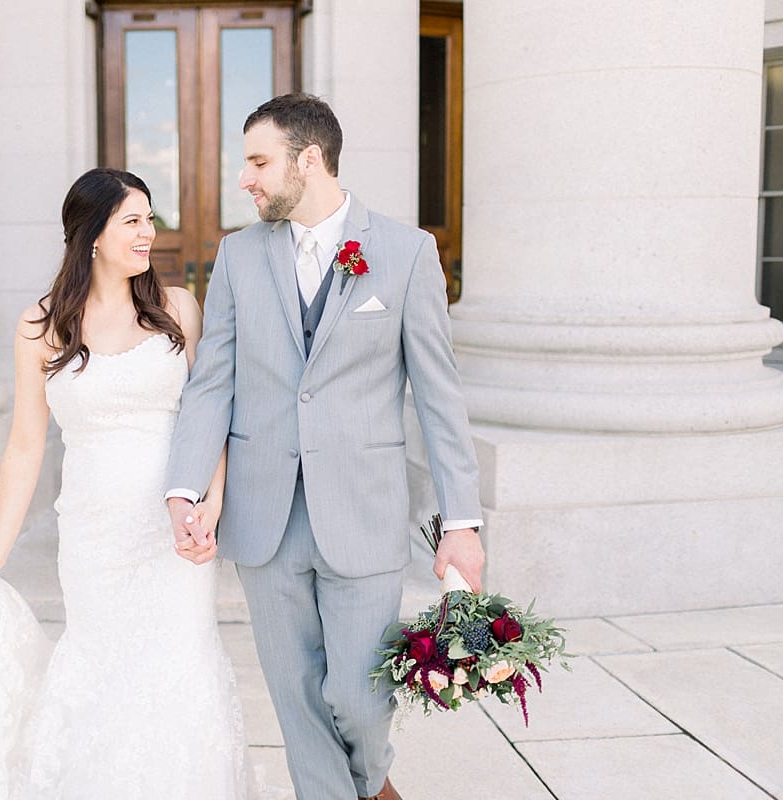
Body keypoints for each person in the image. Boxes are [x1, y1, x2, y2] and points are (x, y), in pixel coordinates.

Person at [166, 94, 485, 800]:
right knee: (296, 700)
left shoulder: (405, 254)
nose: (245, 180)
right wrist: (184, 488)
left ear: (308, 160)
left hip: (364, 514)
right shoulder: (239, 256)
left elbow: (439, 397)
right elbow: (212, 382)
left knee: (359, 698)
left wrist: (461, 521)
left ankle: (371, 785)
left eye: (258, 162)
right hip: (263, 515)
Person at [0, 168, 248, 799]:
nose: (149, 233)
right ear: (92, 234)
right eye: (133, 220)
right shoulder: (41, 328)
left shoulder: (179, 309)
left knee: (180, 663)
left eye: (151, 218)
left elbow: (213, 418)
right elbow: (25, 444)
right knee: (100, 663)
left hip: (173, 529)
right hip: (96, 533)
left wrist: (212, 503)